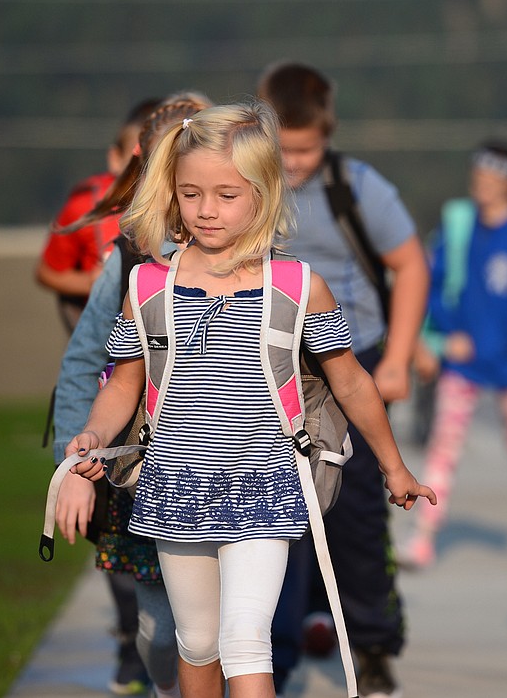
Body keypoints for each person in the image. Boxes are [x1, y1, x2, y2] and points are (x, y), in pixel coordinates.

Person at [66, 100, 436, 698]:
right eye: (191, 194)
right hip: (173, 486)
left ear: (263, 195)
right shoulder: (148, 286)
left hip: (265, 483)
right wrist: (92, 435)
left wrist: (394, 467)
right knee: (198, 642)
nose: (206, 210)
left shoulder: (296, 287)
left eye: (226, 195)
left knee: (244, 637)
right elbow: (126, 383)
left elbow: (350, 381)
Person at [257, 61, 430, 698]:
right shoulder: (246, 189)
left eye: (309, 148)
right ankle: (276, 651)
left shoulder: (356, 188)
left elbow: (409, 266)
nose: (296, 162)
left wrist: (398, 358)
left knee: (355, 516)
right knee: (271, 520)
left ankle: (373, 643)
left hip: (348, 366)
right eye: (286, 148)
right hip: (271, 375)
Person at [53, 91, 214, 698]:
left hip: (243, 474)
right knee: (163, 632)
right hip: (147, 477)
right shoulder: (126, 265)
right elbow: (84, 367)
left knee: (238, 629)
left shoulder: (255, 258)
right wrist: (74, 464)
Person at [397, 139, 507, 571]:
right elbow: (433, 281)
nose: (484, 187)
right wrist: (445, 331)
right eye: (479, 178)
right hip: (463, 361)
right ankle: (425, 535)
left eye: (494, 180)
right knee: (445, 445)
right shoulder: (460, 224)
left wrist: (498, 340)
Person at [37, 97, 161, 333]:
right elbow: (47, 271)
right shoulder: (86, 206)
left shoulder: (190, 208)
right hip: (102, 337)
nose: (149, 178)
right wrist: (91, 282)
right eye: (138, 165)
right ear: (115, 158)